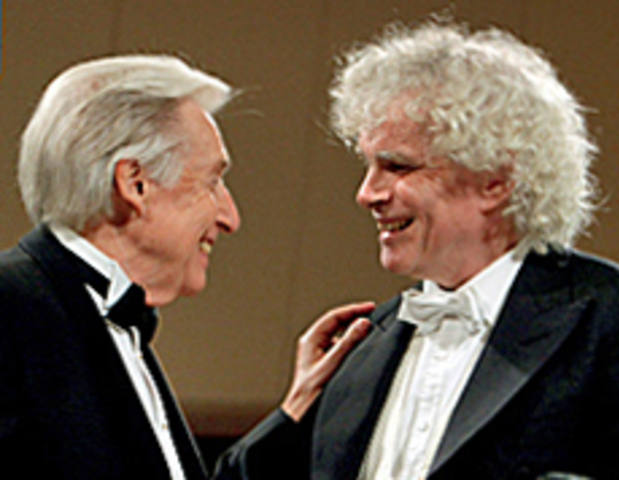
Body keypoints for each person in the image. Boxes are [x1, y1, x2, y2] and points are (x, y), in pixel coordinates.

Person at [217, 20, 619, 479]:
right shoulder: (360, 346)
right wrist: (296, 407)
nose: (367, 193)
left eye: (397, 167)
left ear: (495, 181)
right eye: (368, 166)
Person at [0, 55, 373, 479]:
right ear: (135, 183)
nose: (230, 217)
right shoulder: (10, 308)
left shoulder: (114, 322)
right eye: (212, 181)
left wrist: (298, 406)